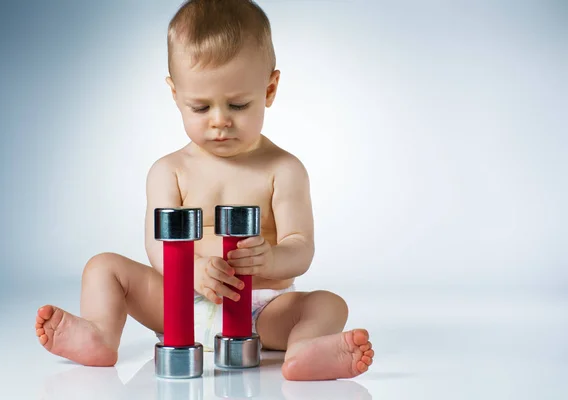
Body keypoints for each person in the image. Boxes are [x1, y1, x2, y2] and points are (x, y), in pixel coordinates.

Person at [35, 0, 374, 381]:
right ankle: (99, 333)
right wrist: (193, 271)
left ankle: (304, 350)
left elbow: (301, 247)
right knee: (103, 267)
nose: (220, 122)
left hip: (259, 311)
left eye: (238, 104)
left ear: (270, 89)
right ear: (175, 94)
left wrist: (271, 259)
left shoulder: (284, 169)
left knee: (327, 304)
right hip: (177, 302)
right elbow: (155, 246)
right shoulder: (169, 171)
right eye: (200, 107)